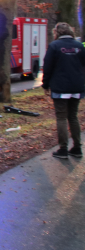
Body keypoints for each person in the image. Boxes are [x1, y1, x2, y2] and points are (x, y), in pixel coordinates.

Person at [42, 22, 85, 160]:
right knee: (73, 116)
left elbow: (47, 67)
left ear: (56, 32)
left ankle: (63, 149)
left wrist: (45, 85)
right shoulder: (79, 46)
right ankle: (77, 147)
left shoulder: (54, 46)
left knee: (61, 117)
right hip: (77, 86)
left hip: (60, 86)